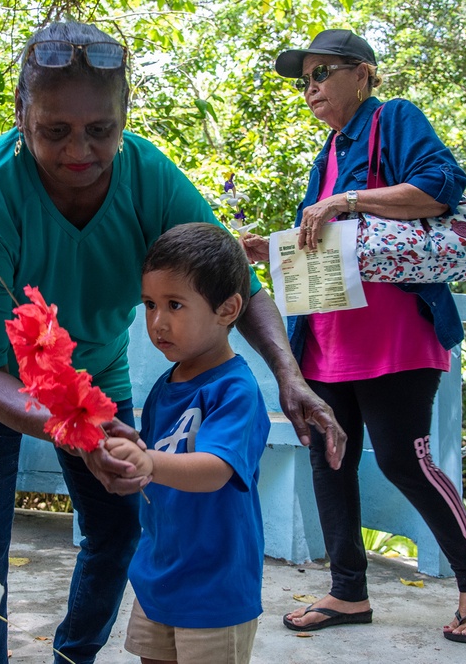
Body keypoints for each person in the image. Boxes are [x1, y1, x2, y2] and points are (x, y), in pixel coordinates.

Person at [0, 21, 346, 664]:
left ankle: (73, 654)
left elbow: (237, 281)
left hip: (91, 358)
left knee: (117, 527)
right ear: (21, 114)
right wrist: (78, 433)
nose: (79, 151)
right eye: (55, 130)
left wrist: (290, 377)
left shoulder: (147, 175)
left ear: (123, 117)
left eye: (101, 130)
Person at [242, 29, 466, 644]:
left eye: (320, 74)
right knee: (328, 458)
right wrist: (274, 248)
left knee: (401, 459)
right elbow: (328, 244)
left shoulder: (395, 120)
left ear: (361, 73)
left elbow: (442, 185)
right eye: (303, 80)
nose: (309, 89)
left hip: (396, 336)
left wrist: (349, 200)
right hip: (328, 337)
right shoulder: (326, 153)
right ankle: (347, 592)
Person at [105, 223, 269, 664]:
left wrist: (146, 460)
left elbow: (214, 468)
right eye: (150, 304)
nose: (158, 321)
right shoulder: (167, 383)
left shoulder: (235, 390)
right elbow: (157, 457)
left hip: (215, 586)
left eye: (175, 305)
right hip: (159, 573)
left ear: (228, 308)